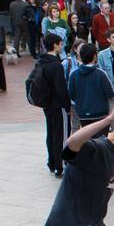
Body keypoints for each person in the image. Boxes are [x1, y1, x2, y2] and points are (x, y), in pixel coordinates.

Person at [36, 33, 72, 177]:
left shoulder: (40, 62)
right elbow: (61, 89)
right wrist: (67, 106)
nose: (61, 46)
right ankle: (59, 166)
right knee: (59, 134)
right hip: (57, 104)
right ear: (55, 45)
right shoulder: (56, 65)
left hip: (46, 103)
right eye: (60, 43)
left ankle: (51, 162)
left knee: (50, 132)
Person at [67, 42, 114, 126]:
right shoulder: (101, 74)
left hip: (82, 113)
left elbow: (71, 94)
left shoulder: (74, 75)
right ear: (94, 56)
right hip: (100, 113)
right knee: (101, 138)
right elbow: (111, 94)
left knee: (87, 138)